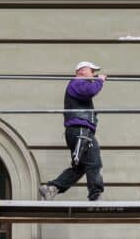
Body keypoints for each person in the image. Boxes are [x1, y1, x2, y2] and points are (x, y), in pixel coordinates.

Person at [39, 60, 105, 201]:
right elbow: (90, 91)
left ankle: (52, 188)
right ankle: (95, 195)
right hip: (80, 131)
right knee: (94, 161)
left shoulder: (77, 84)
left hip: (78, 131)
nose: (94, 74)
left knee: (80, 167)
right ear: (82, 71)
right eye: (91, 71)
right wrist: (99, 81)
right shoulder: (77, 82)